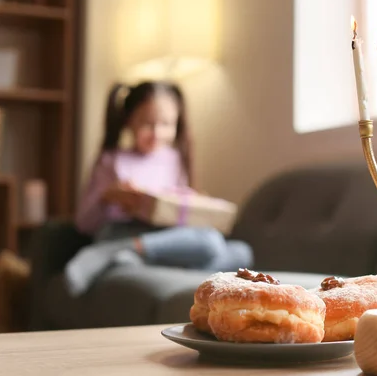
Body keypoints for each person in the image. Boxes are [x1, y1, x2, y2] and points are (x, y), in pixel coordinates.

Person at [65, 81, 253, 296]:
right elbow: (83, 223)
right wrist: (108, 197)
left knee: (240, 251)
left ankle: (131, 257)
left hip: (165, 238)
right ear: (129, 121)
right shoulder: (112, 160)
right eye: (147, 124)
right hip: (121, 231)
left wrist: (193, 205)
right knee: (210, 243)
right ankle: (118, 250)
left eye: (165, 124)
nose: (156, 133)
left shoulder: (175, 160)